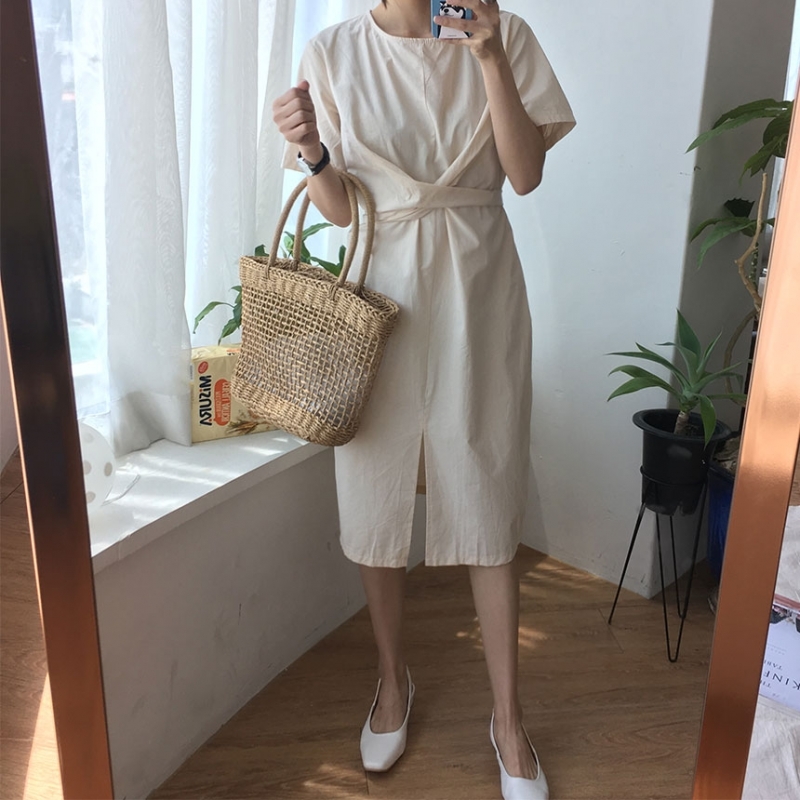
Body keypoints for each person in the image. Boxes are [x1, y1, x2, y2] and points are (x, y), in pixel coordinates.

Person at [273, 2, 575, 798]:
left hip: (479, 287)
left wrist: (490, 57)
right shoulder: (333, 50)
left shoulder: (500, 31)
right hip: (381, 294)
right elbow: (342, 208)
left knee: (487, 485)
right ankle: (391, 680)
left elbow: (525, 175)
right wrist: (311, 151)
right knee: (374, 488)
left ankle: (508, 720)